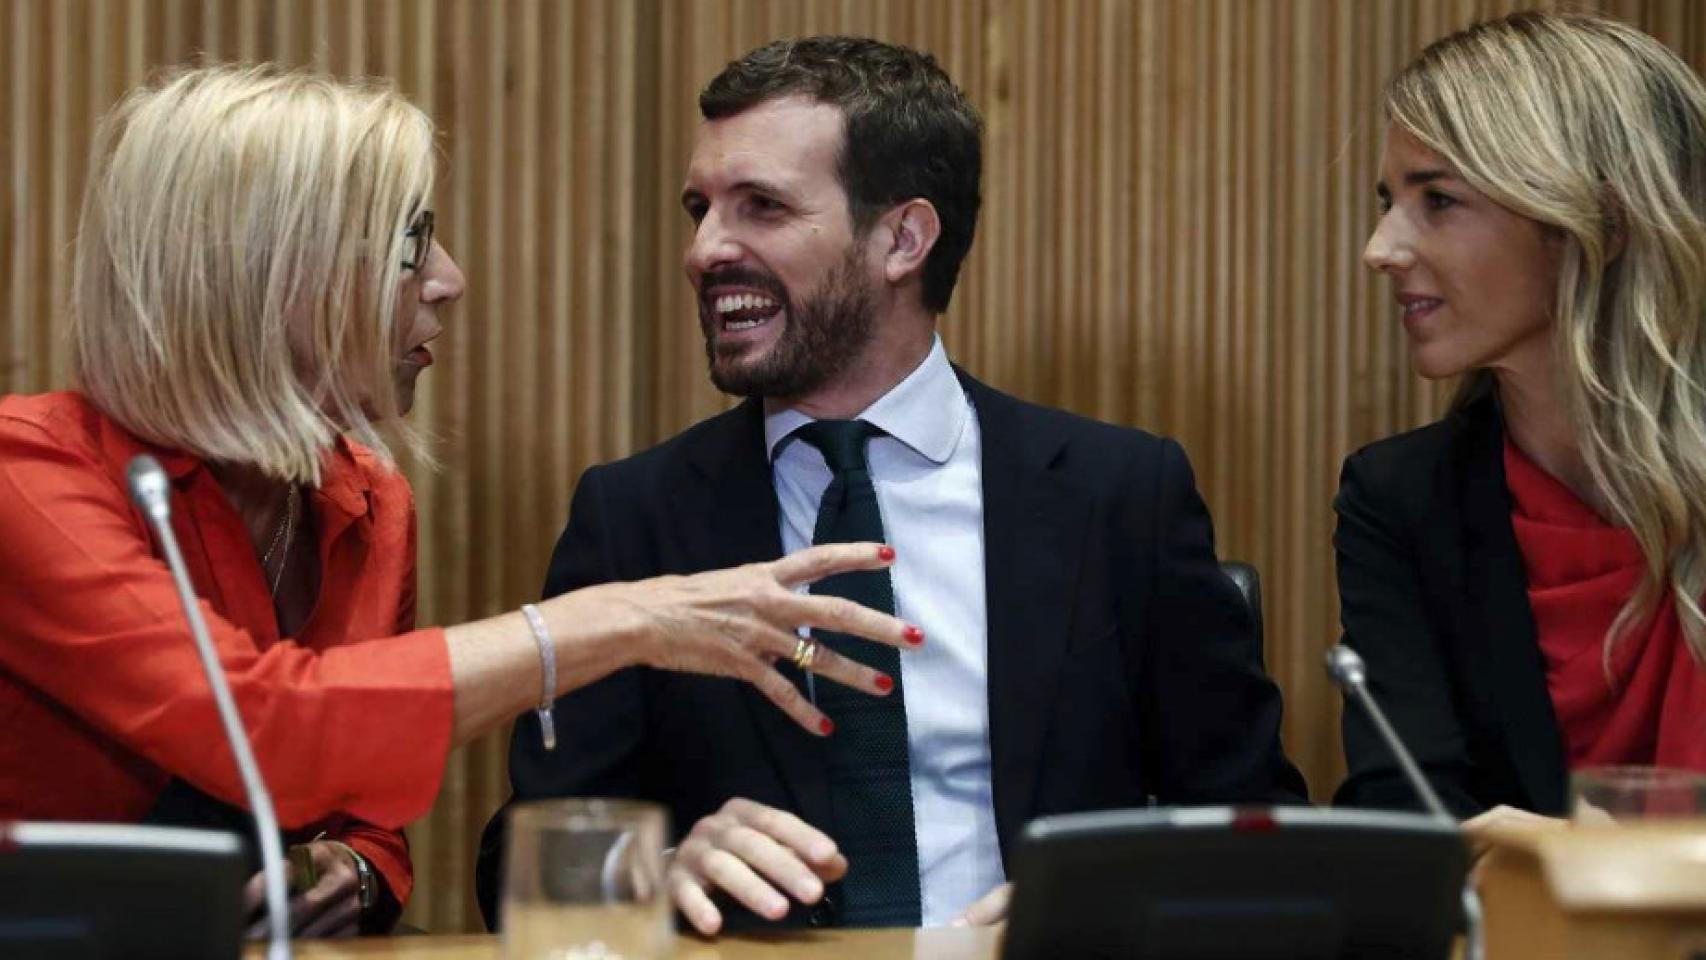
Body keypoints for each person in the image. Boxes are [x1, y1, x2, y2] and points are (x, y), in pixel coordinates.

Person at [0, 64, 916, 937]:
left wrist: (357, 871)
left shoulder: (365, 499)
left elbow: (362, 797)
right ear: (268, 271)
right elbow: (263, 727)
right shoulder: (27, 474)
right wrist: (630, 616)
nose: (449, 276)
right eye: (410, 239)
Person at [477, 36, 1306, 934]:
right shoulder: (635, 516)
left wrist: (1113, 897)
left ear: (902, 238)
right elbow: (521, 859)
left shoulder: (1118, 495)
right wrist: (663, 865)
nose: (705, 249)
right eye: (699, 209)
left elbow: (1262, 833)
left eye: (761, 206)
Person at [1333, 11, 1706, 839]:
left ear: (1600, 225)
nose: (1380, 247)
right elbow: (1404, 809)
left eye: (1438, 200)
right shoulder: (1398, 498)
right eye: (1388, 202)